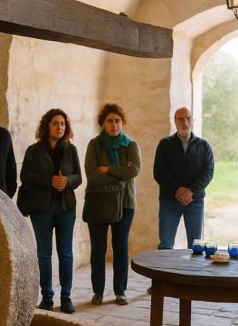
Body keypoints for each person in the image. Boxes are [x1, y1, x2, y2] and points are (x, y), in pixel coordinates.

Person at [20, 109, 82, 314]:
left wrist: (67, 181)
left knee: (66, 254)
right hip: (41, 208)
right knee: (44, 254)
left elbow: (78, 177)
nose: (59, 127)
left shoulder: (70, 150)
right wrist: (50, 181)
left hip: (66, 208)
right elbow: (26, 176)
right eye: (55, 123)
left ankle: (66, 297)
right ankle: (47, 297)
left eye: (63, 124)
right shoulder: (34, 150)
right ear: (47, 125)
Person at [84, 104, 141, 306]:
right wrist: (119, 174)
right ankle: (98, 292)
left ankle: (120, 291)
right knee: (98, 249)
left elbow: (134, 170)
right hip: (99, 201)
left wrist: (107, 169)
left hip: (125, 203)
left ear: (122, 122)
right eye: (110, 120)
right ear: (103, 123)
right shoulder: (94, 145)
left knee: (120, 247)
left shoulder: (131, 145)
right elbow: (92, 176)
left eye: (117, 120)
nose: (114, 124)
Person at [154, 106, 214, 250]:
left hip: (195, 201)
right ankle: (164, 272)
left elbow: (208, 172)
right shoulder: (165, 144)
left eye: (188, 119)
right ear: (175, 121)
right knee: (165, 245)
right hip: (169, 200)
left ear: (192, 121)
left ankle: (192, 273)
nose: (184, 122)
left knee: (196, 246)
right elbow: (159, 172)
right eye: (180, 119)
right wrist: (178, 191)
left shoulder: (204, 146)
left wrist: (190, 191)